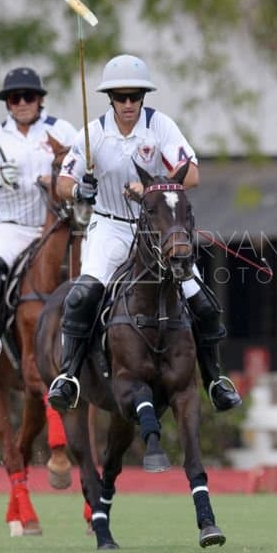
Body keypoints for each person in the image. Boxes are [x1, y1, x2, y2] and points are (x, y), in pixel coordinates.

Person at [44, 54, 242, 414]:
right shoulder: (92, 134)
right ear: (110, 99)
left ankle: (215, 380)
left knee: (203, 303)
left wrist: (151, 188)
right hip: (109, 227)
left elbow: (192, 174)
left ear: (143, 97)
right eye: (121, 97)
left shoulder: (160, 126)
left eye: (136, 96)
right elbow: (63, 182)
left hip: (157, 232)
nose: (129, 104)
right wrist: (80, 192)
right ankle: (69, 376)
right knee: (81, 297)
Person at [0, 66, 78, 370]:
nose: (23, 102)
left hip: (57, 228)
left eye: (29, 96)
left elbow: (84, 168)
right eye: (15, 98)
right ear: (8, 104)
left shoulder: (62, 130)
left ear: (40, 100)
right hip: (12, 228)